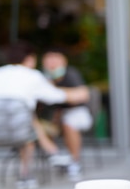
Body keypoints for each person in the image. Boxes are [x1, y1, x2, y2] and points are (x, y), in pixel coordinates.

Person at [0, 42, 90, 189]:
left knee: (27, 119)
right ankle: (31, 170)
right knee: (26, 123)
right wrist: (78, 94)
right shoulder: (32, 76)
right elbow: (55, 96)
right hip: (19, 131)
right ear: (30, 58)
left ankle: (50, 154)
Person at [39, 48, 94, 182]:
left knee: (70, 122)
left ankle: (74, 162)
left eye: (55, 58)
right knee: (40, 127)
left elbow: (83, 94)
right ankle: (56, 157)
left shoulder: (70, 74)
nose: (51, 62)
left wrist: (55, 92)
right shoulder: (41, 78)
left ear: (63, 61)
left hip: (76, 113)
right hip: (52, 117)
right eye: (48, 58)